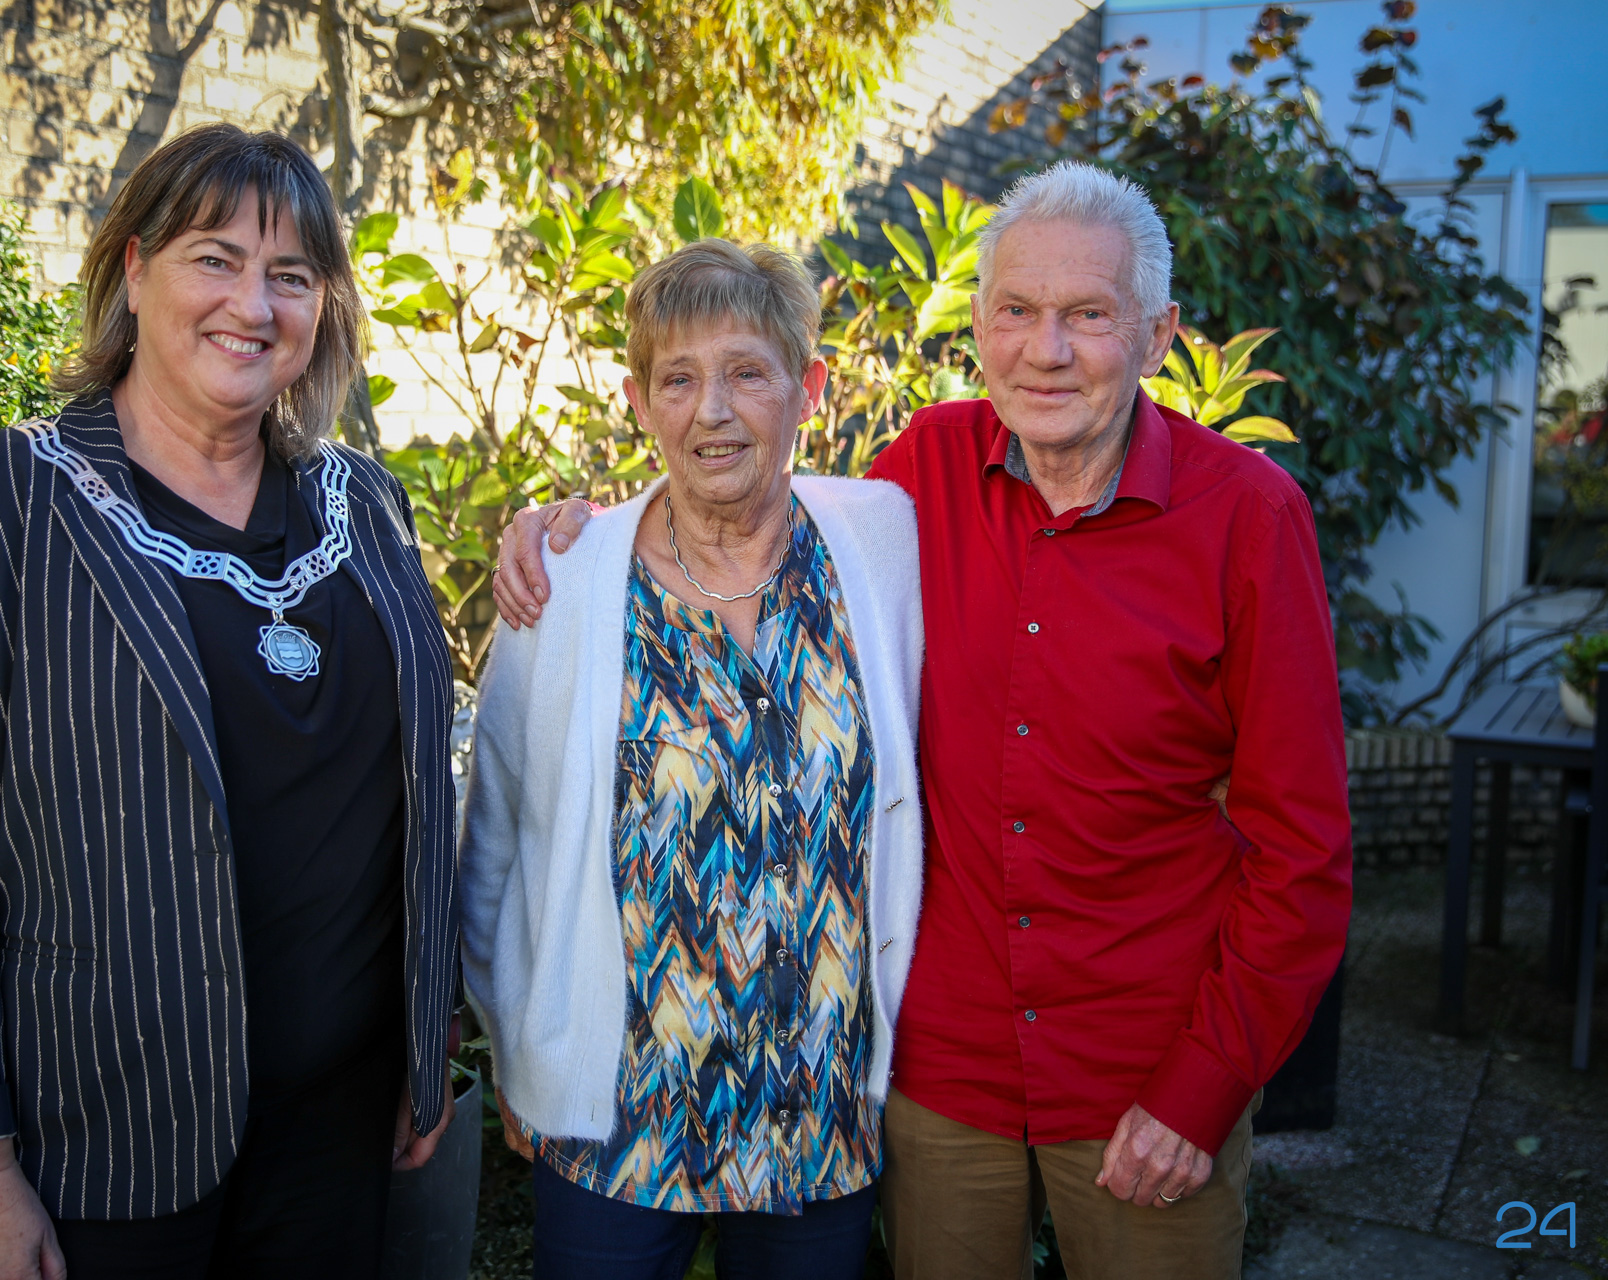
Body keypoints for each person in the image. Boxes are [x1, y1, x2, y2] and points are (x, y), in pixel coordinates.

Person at [492, 159, 1352, 1280]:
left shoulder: (1245, 517)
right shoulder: (917, 485)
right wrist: (569, 527)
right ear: (981, 329)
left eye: (1088, 315)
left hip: (1143, 1069)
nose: (1047, 349)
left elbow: (1305, 852)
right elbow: (729, 483)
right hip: (944, 1087)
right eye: (1016, 312)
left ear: (1156, 336)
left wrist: (1205, 1088)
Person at [0, 123, 460, 1280]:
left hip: (338, 1134)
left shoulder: (365, 503)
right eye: (214, 257)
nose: (254, 303)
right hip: (102, 1156)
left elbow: (415, 791)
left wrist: (428, 1035)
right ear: (132, 269)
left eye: (292, 273)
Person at [461, 240, 925, 1280]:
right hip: (617, 1112)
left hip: (816, 1106)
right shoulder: (567, 583)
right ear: (639, 400)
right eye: (679, 378)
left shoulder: (883, 544)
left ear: (809, 389)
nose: (712, 409)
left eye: (747, 371)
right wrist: (523, 1052)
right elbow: (494, 840)